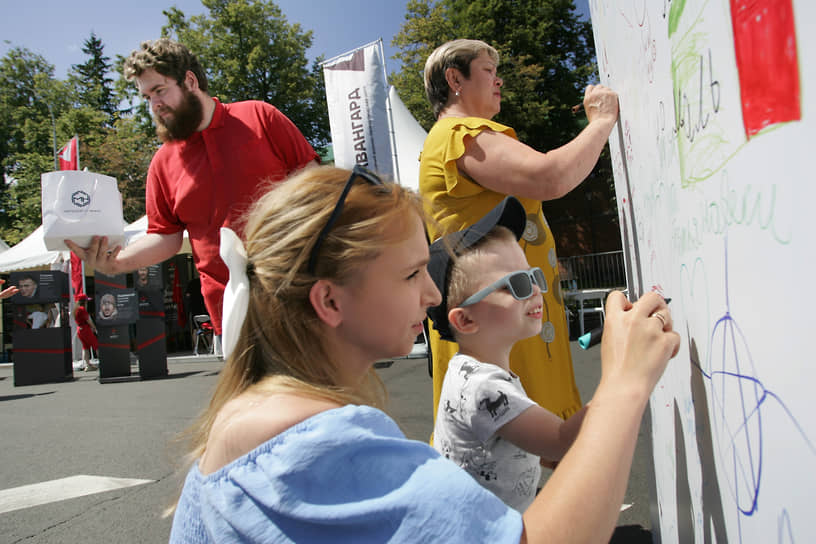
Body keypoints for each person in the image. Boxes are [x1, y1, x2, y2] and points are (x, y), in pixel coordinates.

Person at [168, 165, 680, 543]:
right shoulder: (323, 445)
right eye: (412, 274)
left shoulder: (244, 420)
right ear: (330, 300)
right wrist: (625, 380)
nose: (433, 296)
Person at [65, 38, 320, 351]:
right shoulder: (162, 163)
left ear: (190, 80)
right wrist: (114, 264)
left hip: (300, 298)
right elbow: (166, 237)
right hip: (231, 314)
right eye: (147, 97)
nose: (154, 104)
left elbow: (314, 186)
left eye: (159, 90)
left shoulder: (260, 117)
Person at [420, 39, 620, 422]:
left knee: (520, 453)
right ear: (454, 78)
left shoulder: (455, 136)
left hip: (502, 319)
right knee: (521, 448)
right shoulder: (459, 133)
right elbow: (551, 176)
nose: (499, 81)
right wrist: (602, 122)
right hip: (498, 324)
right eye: (488, 71)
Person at [428, 196, 588, 510]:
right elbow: (560, 441)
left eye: (532, 276)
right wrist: (625, 368)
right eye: (515, 283)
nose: (535, 289)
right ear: (466, 320)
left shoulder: (471, 370)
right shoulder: (483, 387)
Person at [74, 294, 98, 371]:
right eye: (87, 301)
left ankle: (88, 365)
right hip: (85, 329)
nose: (87, 302)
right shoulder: (82, 309)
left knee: (85, 347)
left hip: (79, 329)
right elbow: (88, 320)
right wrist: (94, 327)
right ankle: (104, 363)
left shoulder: (76, 309)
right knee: (96, 345)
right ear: (84, 302)